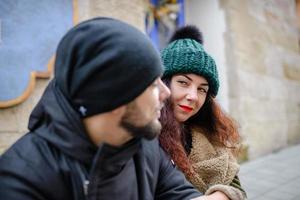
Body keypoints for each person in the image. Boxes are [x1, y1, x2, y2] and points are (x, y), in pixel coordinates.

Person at [0, 18, 206, 200]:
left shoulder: (144, 145)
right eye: (152, 84)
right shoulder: (20, 180)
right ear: (114, 95)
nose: (166, 93)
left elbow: (179, 194)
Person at [159, 25, 247, 200]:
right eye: (183, 82)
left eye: (202, 89)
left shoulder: (209, 136)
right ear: (163, 83)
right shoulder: (145, 137)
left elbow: (236, 185)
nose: (193, 96)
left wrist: (224, 194)